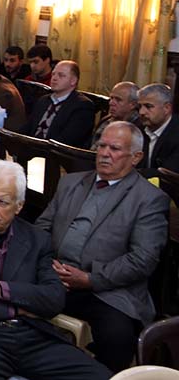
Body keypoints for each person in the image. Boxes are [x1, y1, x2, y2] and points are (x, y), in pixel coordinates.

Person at [0, 160, 112, 379]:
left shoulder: (37, 240)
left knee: (100, 376)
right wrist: (19, 309)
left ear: (19, 206)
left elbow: (54, 299)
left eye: (2, 202)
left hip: (30, 335)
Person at [34, 121, 169, 372]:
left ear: (136, 157)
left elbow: (143, 259)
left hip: (107, 290)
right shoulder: (71, 183)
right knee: (9, 300)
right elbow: (42, 227)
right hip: (54, 275)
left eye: (115, 149)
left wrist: (90, 279)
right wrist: (47, 263)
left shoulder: (149, 199)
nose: (105, 153)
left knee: (116, 337)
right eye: (102, 146)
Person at [21, 60, 95, 147]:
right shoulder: (43, 100)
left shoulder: (83, 106)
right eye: (53, 74)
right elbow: (27, 128)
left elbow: (67, 140)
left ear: (73, 81)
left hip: (56, 152)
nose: (54, 78)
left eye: (61, 75)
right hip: (30, 149)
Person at [137, 83, 179, 174]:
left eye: (148, 106)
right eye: (139, 106)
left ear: (167, 108)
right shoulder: (137, 129)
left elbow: (167, 175)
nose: (141, 112)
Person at [91, 81, 140, 148]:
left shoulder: (139, 128)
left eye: (118, 100)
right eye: (111, 98)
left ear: (133, 104)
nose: (111, 103)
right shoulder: (105, 121)